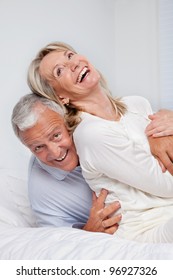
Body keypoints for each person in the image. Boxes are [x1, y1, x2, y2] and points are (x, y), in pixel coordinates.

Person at [27, 41, 173, 243]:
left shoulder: (137, 103)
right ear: (60, 97)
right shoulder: (90, 134)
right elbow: (166, 186)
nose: (73, 64)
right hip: (149, 228)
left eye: (70, 56)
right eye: (60, 71)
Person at [11, 93, 121, 234]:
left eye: (56, 135)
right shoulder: (42, 193)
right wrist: (90, 231)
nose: (55, 153)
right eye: (38, 147)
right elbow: (58, 243)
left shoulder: (90, 123)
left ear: (67, 121)